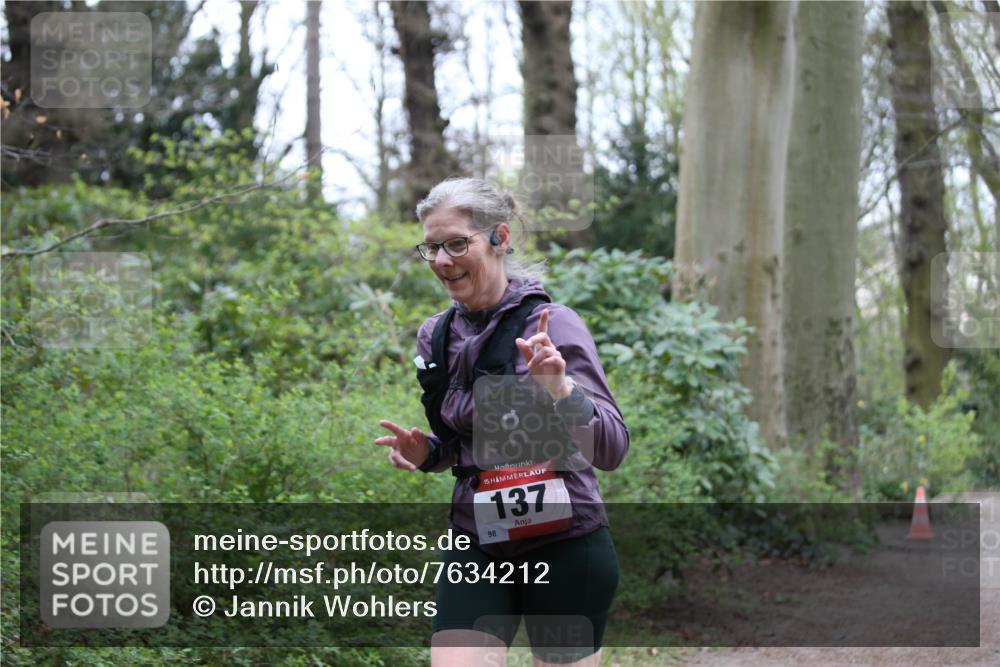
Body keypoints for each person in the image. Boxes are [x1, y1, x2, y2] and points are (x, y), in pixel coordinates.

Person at [375, 177, 630, 667]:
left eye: (456, 244)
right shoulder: (436, 336)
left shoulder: (552, 325)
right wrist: (428, 452)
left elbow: (612, 448)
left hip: (565, 543)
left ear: (500, 237)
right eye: (431, 248)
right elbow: (464, 444)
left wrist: (560, 387)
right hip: (477, 542)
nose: (442, 261)